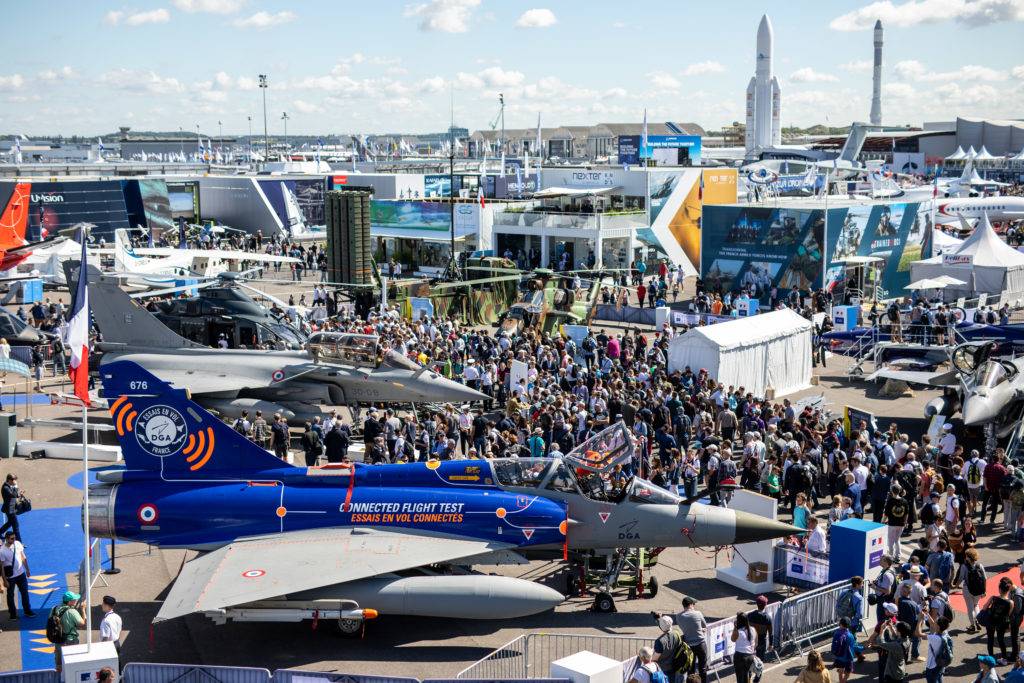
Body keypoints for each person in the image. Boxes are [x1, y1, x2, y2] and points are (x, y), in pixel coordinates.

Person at [0, 530, 33, 619]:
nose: (14, 540)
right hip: (10, 577)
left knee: (24, 593)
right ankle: (13, 613)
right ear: (6, 539)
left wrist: (27, 569)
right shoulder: (2, 551)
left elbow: (23, 557)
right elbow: (2, 567)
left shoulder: (17, 544)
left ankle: (27, 610)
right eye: (12, 538)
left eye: (14, 538)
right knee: (10, 595)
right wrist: (5, 580)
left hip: (21, 574)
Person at [50, 591, 85, 673]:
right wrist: (83, 610)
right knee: (73, 662)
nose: (76, 600)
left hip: (58, 639)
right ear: (69, 602)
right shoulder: (72, 612)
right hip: (70, 640)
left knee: (59, 663)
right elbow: (83, 624)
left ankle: (59, 679)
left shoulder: (54, 609)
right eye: (74, 599)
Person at [676, 597, 708, 683]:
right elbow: (704, 625)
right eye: (693, 604)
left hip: (689, 646)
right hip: (701, 644)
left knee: (691, 669)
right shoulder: (698, 613)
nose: (694, 606)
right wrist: (700, 629)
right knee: (703, 668)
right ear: (690, 605)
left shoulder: (678, 616)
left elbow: (685, 628)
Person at [983, 576, 1014, 665]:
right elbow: (1009, 613)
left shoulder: (993, 598)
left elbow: (984, 608)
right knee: (1001, 640)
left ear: (999, 589)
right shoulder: (1010, 602)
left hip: (991, 621)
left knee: (990, 640)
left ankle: (991, 659)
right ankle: (1004, 659)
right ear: (1008, 590)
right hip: (1002, 623)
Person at [918, 612, 952, 683]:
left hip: (932, 666)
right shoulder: (945, 633)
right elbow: (932, 624)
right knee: (939, 679)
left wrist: (920, 619)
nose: (934, 623)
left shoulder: (935, 638)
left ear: (938, 626)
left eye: (936, 622)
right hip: (941, 663)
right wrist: (927, 614)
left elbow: (918, 633)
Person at [831, 617, 864, 683]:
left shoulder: (836, 632)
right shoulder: (850, 635)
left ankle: (841, 681)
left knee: (841, 670)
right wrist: (864, 647)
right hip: (847, 657)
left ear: (840, 624)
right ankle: (843, 681)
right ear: (849, 625)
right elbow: (855, 647)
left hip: (838, 656)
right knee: (849, 671)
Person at [653, 615, 682, 682]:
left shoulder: (659, 641)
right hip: (674, 665)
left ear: (661, 628)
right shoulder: (676, 634)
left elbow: (655, 657)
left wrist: (647, 657)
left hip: (662, 668)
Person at [731, 611, 757, 683]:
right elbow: (756, 643)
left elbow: (732, 639)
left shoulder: (738, 632)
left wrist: (735, 627)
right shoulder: (753, 629)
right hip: (750, 656)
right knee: (746, 676)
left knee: (740, 679)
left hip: (740, 657)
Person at [747, 595, 773, 664]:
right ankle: (758, 674)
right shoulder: (768, 618)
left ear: (757, 604)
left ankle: (749, 673)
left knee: (750, 659)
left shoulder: (750, 615)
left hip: (751, 641)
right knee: (760, 661)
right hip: (762, 642)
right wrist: (771, 644)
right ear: (765, 605)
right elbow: (771, 633)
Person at [0, 473, 21, 542]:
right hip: (9, 509)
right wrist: (16, 487)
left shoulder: (8, 486)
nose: (15, 482)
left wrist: (19, 495)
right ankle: (19, 541)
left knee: (9, 523)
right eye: (14, 481)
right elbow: (12, 495)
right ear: (9, 480)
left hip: (11, 508)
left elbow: (13, 495)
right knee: (15, 526)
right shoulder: (5, 487)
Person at [99, 595, 122, 659]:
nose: (102, 605)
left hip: (109, 646)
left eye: (103, 603)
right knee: (118, 664)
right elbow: (120, 631)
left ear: (106, 605)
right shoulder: (118, 617)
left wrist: (103, 648)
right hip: (117, 643)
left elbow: (106, 637)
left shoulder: (106, 621)